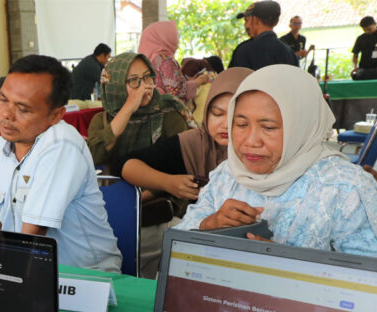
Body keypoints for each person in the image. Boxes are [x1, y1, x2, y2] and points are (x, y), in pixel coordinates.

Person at [175, 64, 377, 260]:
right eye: (241, 125)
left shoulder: (346, 189)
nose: (251, 141)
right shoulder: (227, 175)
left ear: (302, 127)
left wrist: (290, 267)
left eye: (269, 127)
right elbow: (178, 246)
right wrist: (210, 225)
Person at [0, 54, 122, 273]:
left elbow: (33, 234)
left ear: (56, 115)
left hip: (85, 278)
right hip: (28, 270)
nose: (6, 114)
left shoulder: (61, 144)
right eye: (3, 99)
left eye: (22, 109)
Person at [118, 67, 253, 201]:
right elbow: (124, 164)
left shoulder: (266, 149)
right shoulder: (194, 143)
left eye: (238, 118)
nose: (225, 125)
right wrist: (167, 182)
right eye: (217, 114)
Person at [87, 51, 192, 173]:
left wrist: (148, 192)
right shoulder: (102, 119)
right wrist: (128, 108)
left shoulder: (168, 113)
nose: (144, 86)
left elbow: (182, 163)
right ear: (116, 86)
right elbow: (93, 158)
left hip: (163, 189)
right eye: (133, 80)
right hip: (116, 190)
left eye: (147, 77)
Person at [139, 21, 212, 104]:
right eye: (175, 34)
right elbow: (176, 92)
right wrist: (198, 81)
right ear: (166, 37)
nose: (177, 38)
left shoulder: (144, 61)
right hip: (167, 114)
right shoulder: (166, 61)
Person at [229, 1, 299, 70]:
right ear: (276, 22)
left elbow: (233, 79)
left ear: (255, 20)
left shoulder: (244, 50)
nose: (245, 25)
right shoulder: (289, 53)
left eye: (246, 20)